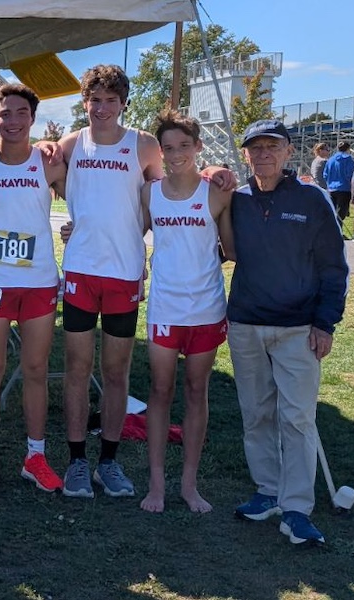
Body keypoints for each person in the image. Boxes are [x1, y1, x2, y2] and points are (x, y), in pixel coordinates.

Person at [229, 119, 348, 546]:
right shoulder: (235, 199)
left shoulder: (313, 199)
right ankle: (267, 491)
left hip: (298, 327)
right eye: (255, 148)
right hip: (245, 323)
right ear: (246, 154)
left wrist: (325, 322)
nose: (263, 154)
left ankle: (296, 507)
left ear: (287, 152)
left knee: (297, 418)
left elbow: (334, 266)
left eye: (271, 147)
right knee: (256, 414)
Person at [54, 65, 164, 499]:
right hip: (81, 270)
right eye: (94, 100)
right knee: (78, 371)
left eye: (110, 100)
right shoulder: (69, 144)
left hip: (123, 273)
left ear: (123, 103)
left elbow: (167, 197)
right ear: (84, 102)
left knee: (116, 373)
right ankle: (77, 461)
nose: (102, 108)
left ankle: (109, 462)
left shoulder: (144, 145)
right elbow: (38, 170)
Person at [0, 83, 67, 492]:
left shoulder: (49, 163)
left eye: (21, 113)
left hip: (38, 281)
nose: (12, 120)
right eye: (4, 113)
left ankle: (35, 456)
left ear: (32, 118)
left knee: (36, 370)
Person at [137, 111, 235, 514]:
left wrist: (223, 174)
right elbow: (129, 234)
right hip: (164, 307)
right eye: (168, 147)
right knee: (160, 392)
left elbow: (230, 251)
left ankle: (189, 485)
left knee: (197, 392)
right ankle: (156, 485)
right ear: (161, 151)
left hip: (207, 310)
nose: (175, 154)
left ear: (198, 147)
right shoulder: (150, 193)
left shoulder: (217, 193)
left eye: (183, 146)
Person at [322, 141, 354, 227]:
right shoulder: (348, 160)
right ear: (348, 149)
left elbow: (325, 174)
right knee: (341, 212)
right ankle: (338, 230)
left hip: (331, 188)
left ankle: (331, 229)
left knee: (332, 211)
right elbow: (350, 174)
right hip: (344, 188)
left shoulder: (331, 159)